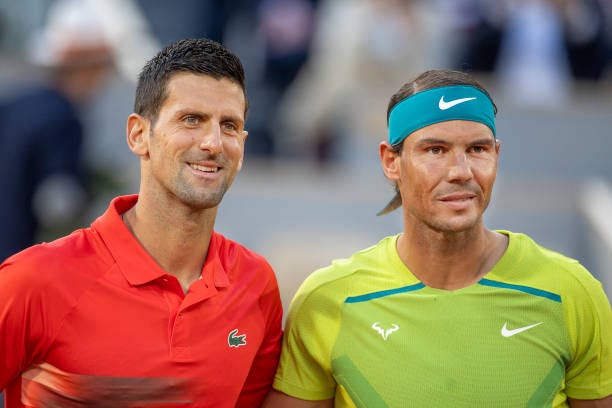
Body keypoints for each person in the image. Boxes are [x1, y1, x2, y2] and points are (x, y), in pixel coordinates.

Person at [264, 69, 612, 407]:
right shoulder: (328, 299)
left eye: (478, 149)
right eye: (435, 150)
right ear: (391, 161)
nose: (461, 171)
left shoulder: (571, 291)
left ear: (496, 155)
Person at [0, 38, 283, 407]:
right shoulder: (35, 280)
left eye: (229, 125)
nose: (213, 142)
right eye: (191, 119)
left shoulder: (255, 285)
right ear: (138, 134)